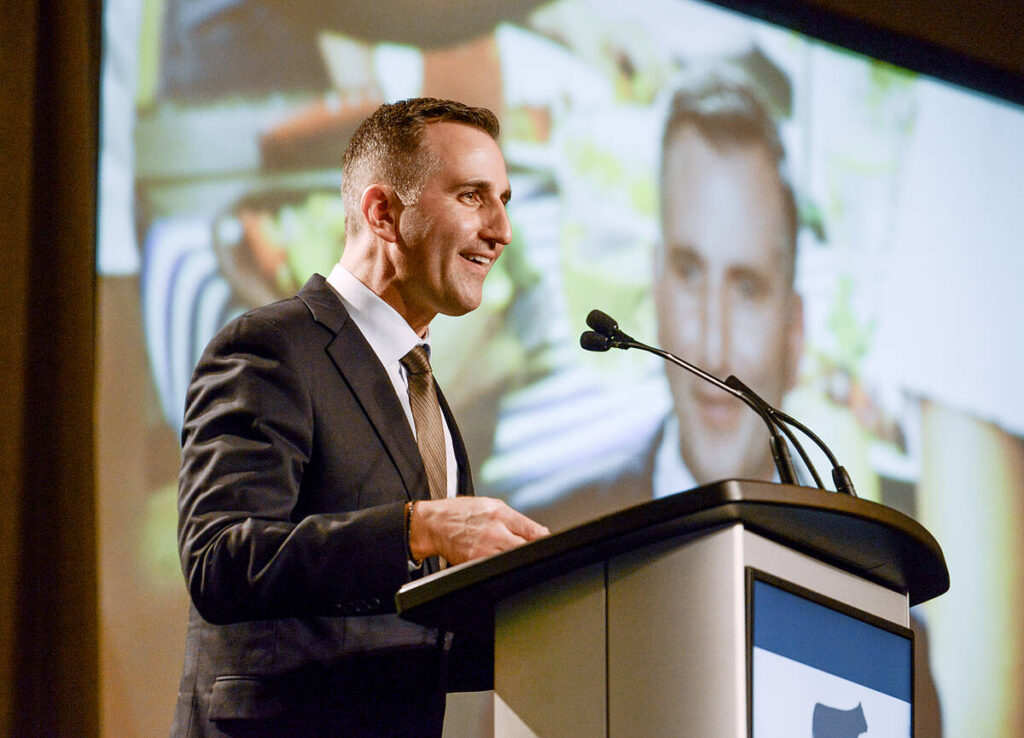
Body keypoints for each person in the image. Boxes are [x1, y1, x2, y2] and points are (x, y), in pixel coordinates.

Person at [171, 97, 549, 737]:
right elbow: (219, 559)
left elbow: (410, 629)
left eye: (505, 199)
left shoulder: (421, 386)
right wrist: (417, 528)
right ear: (382, 213)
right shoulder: (272, 347)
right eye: (471, 196)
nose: (501, 229)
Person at [522, 70, 803, 531]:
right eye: (689, 274)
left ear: (796, 332)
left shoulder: (873, 599)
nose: (712, 352)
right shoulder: (544, 541)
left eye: (748, 288)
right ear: (657, 288)